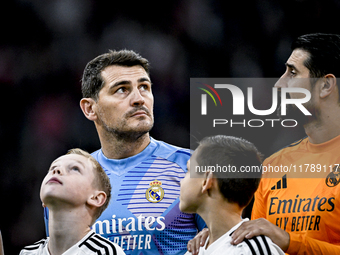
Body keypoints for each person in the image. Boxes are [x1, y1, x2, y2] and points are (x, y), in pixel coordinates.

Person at [190, 33, 340, 255]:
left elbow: (279, 239)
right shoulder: (273, 166)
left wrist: (289, 241)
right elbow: (260, 243)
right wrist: (223, 236)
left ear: (325, 85)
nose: (279, 84)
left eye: (293, 73)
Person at [74, 50, 205, 254]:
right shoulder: (71, 181)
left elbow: (228, 244)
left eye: (144, 87)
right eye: (121, 90)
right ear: (90, 109)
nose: (139, 99)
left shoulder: (191, 166)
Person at [179, 135, 285, 255]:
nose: (181, 181)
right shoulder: (198, 249)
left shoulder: (250, 250)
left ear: (206, 180)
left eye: (188, 170)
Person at [21, 148, 125, 255]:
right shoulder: (27, 253)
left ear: (96, 198)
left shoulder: (106, 252)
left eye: (75, 169)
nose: (56, 171)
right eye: (53, 168)